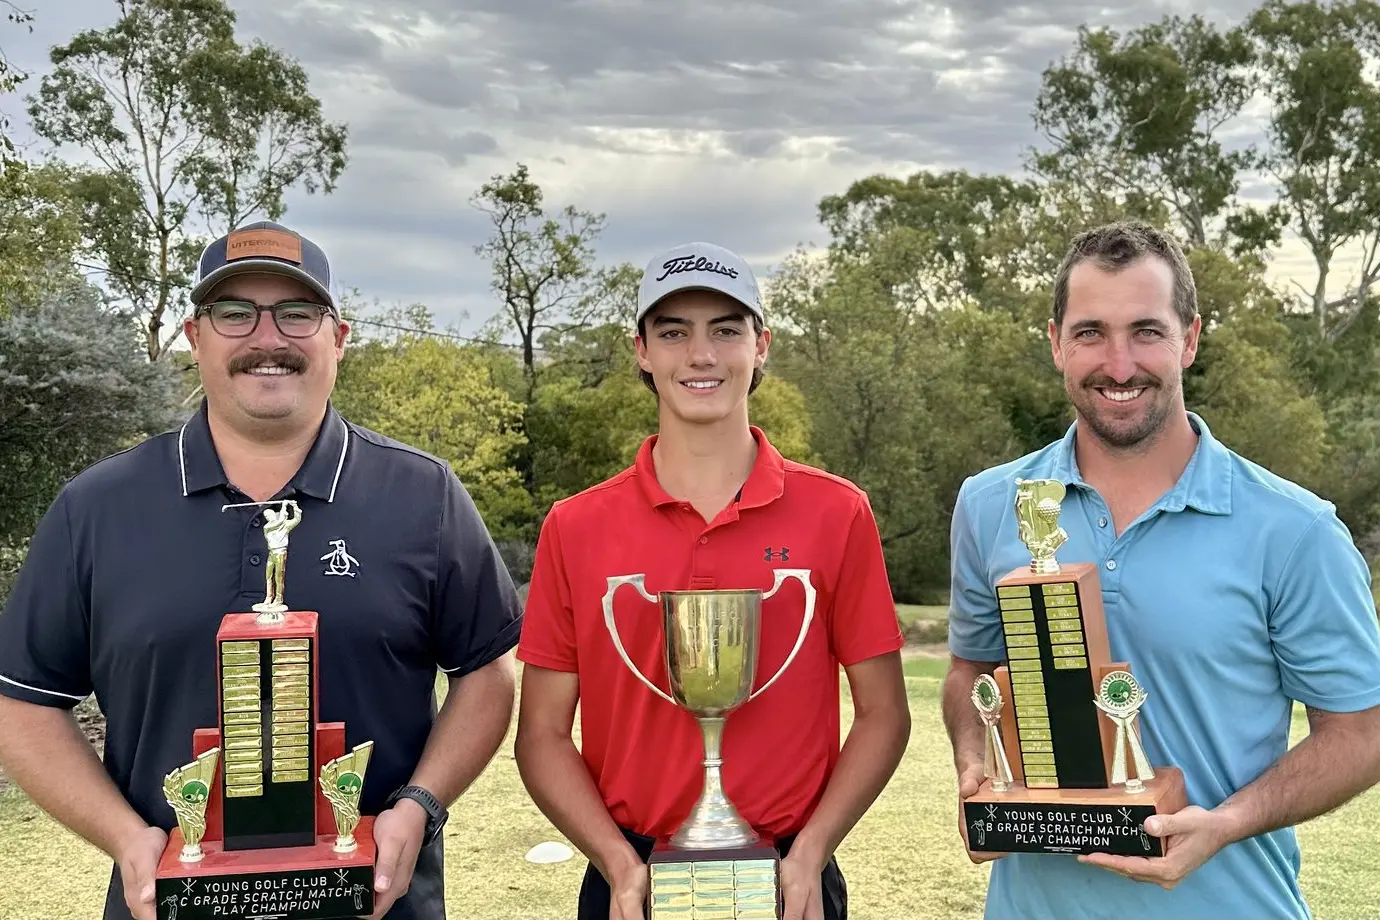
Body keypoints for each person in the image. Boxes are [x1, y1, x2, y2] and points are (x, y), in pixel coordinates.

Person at [0, 220, 523, 920]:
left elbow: (486, 673)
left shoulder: (424, 495)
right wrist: (127, 838)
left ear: (338, 338)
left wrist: (419, 805)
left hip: (377, 905)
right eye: (235, 313)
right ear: (196, 337)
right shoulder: (97, 507)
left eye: (297, 313)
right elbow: (24, 702)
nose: (266, 338)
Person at [942, 220, 1380, 920]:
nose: (1119, 365)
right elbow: (971, 671)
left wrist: (1226, 823)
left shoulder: (1295, 530)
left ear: (1191, 337)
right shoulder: (993, 504)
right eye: (1091, 333)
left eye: (1146, 331)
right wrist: (976, 766)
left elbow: (1362, 732)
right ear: (1055, 341)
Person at [513, 241, 911, 920]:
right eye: (675, 332)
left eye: (726, 329)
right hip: (629, 877)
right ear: (641, 349)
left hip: (791, 877)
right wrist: (616, 863)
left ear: (762, 346)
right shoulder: (575, 526)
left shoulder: (838, 513)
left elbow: (884, 713)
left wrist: (812, 853)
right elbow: (542, 734)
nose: (702, 354)